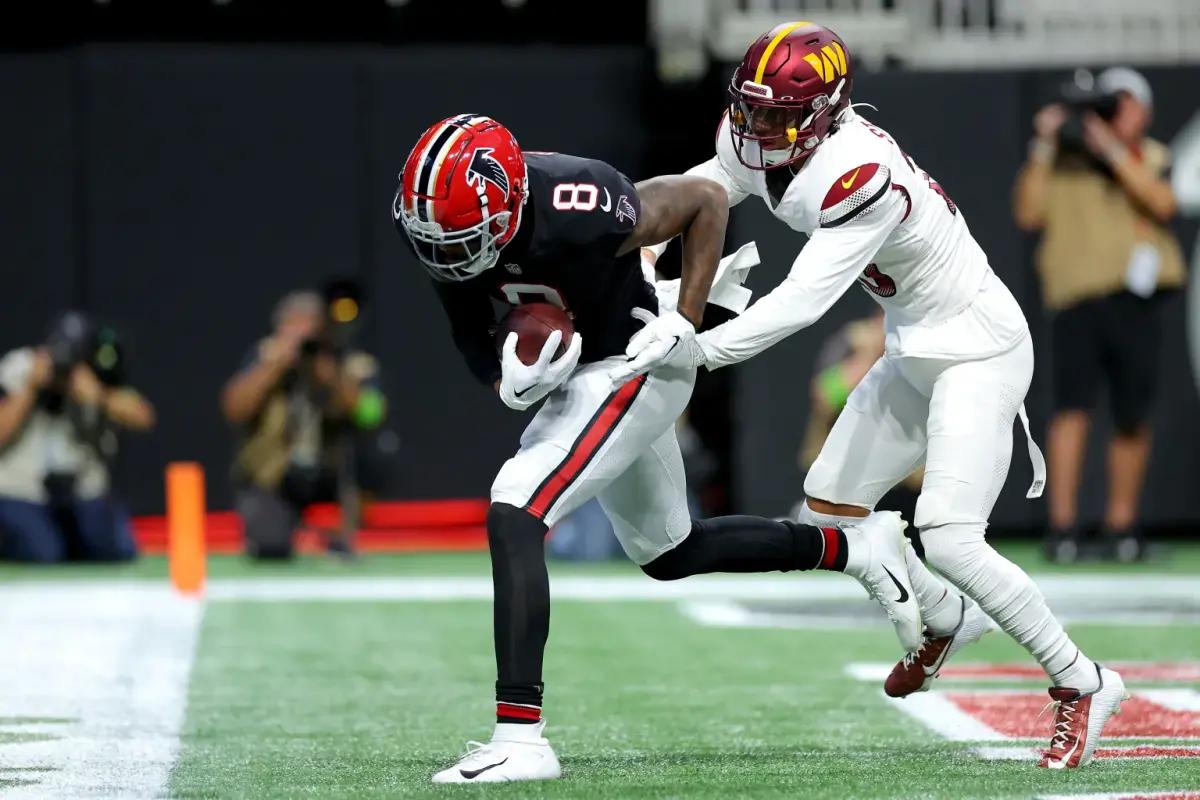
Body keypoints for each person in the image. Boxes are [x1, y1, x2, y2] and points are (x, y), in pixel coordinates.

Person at [625, 22, 1126, 769]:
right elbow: (699, 194)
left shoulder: (860, 172)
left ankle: (1082, 681)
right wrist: (637, 241)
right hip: (915, 347)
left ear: (827, 111)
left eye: (777, 117)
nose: (758, 129)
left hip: (978, 349)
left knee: (950, 535)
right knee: (829, 504)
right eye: (751, 110)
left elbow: (800, 303)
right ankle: (947, 619)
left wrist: (697, 348)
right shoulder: (757, 136)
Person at [394, 114, 924, 784]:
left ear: (509, 203)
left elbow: (703, 202)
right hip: (589, 372)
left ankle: (521, 737)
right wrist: (505, 380)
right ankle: (856, 547)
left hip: (638, 355)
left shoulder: (576, 200)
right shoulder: (438, 221)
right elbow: (468, 324)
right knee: (673, 552)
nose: (449, 254)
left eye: (466, 238)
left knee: (515, 506)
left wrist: (685, 321)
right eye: (438, 241)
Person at [1013, 67, 1185, 563]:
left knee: (1132, 415)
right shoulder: (1060, 160)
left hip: (1135, 301)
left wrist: (1109, 147)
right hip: (1076, 301)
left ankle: (1121, 526)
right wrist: (1045, 144)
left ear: (1142, 111)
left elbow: (1163, 203)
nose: (1108, 115)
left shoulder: (1150, 156)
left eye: (1118, 105)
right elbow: (1027, 214)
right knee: (1071, 411)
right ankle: (1063, 528)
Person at [221, 290, 387, 559]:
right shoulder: (264, 356)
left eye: (312, 325)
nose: (304, 336)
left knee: (371, 461)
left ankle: (344, 533)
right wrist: (274, 366)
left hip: (330, 470)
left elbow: (371, 416)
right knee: (270, 547)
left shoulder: (345, 360)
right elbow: (234, 410)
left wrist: (331, 376)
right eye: (295, 325)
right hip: (276, 473)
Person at [0, 312, 154, 563]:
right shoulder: (23, 367)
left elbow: (144, 416)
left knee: (117, 549)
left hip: (82, 492)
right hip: (23, 491)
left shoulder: (94, 375)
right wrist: (29, 390)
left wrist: (97, 395)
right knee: (44, 553)